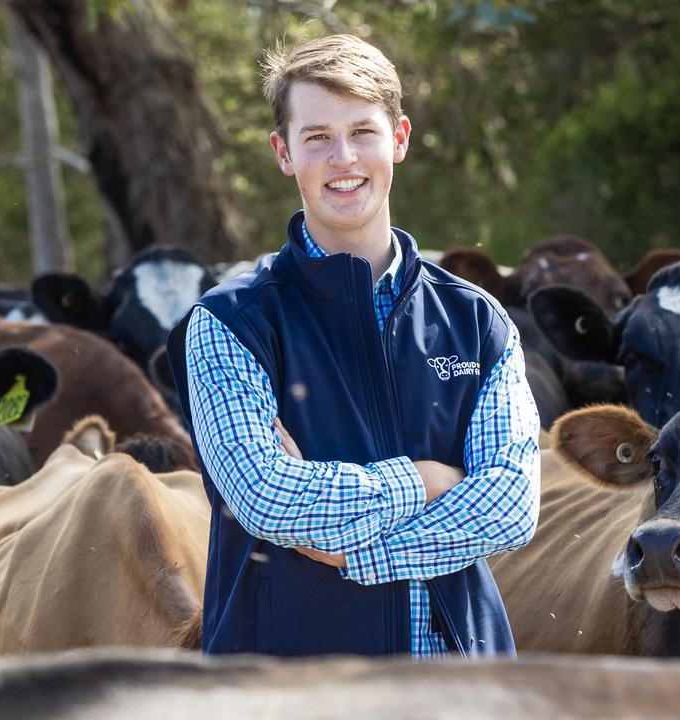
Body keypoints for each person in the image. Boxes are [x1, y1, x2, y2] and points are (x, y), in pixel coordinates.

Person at [166, 33, 540, 658]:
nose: (343, 158)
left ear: (399, 138)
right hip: (287, 689)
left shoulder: (477, 320)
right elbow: (268, 500)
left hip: (462, 687)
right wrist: (424, 481)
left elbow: (509, 506)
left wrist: (359, 553)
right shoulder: (232, 322)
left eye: (363, 131)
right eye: (317, 137)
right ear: (283, 152)